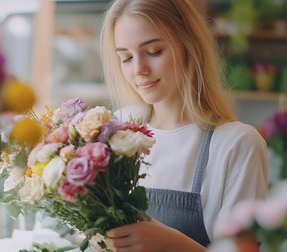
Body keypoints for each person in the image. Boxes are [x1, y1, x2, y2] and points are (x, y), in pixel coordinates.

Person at [97, 0, 268, 251]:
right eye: (125, 57)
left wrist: (172, 243)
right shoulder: (120, 127)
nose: (138, 70)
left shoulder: (237, 143)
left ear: (189, 46)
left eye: (154, 51)